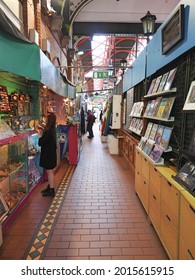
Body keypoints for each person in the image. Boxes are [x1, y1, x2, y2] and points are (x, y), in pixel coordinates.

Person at [36, 112, 57, 197]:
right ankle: (50, 186)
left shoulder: (48, 131)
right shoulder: (51, 129)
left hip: (48, 155)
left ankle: (51, 189)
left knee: (50, 171)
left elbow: (41, 142)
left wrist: (38, 133)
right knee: (49, 171)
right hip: (50, 154)